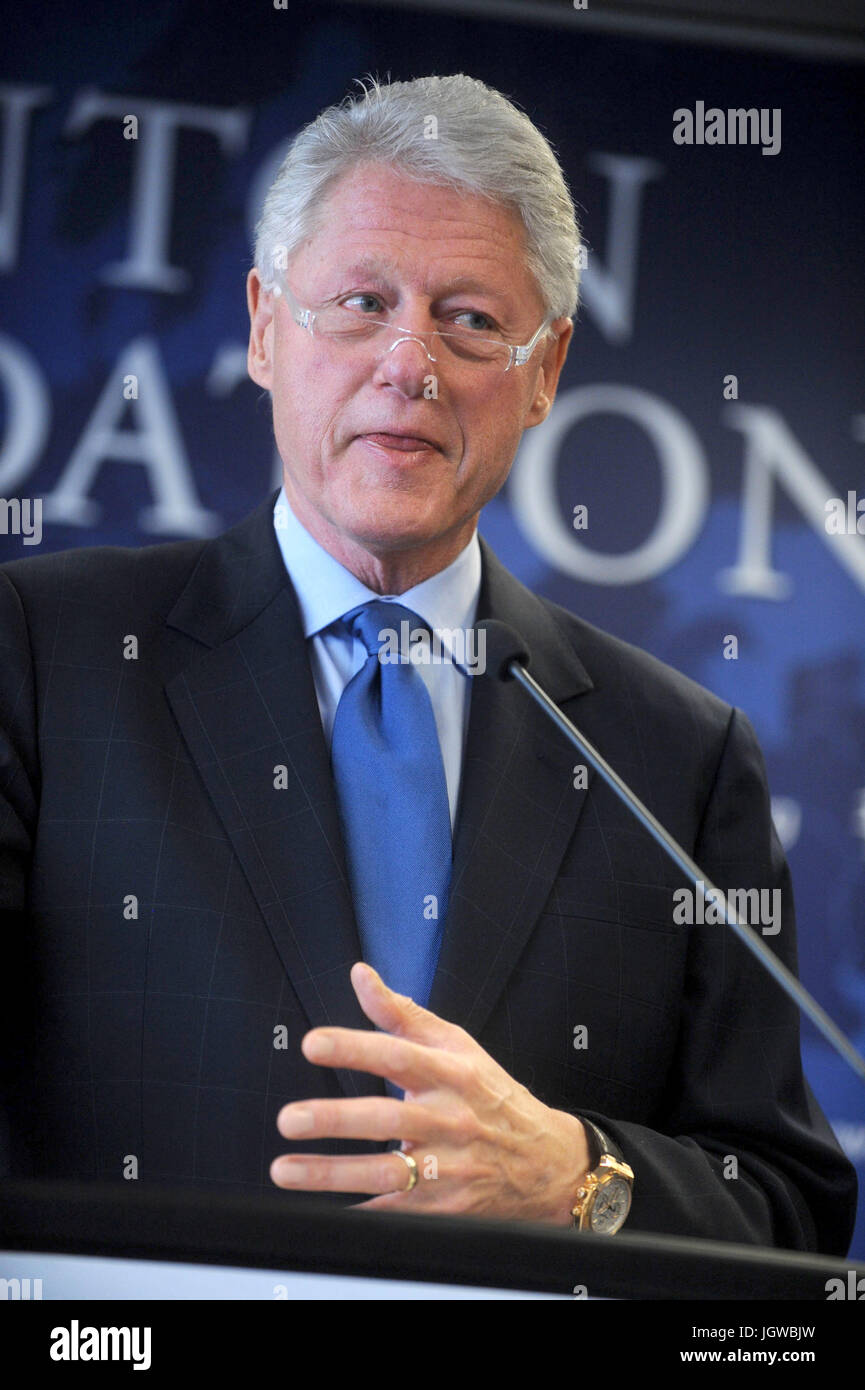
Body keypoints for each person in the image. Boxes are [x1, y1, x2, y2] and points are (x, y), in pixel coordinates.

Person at [0, 74, 856, 1252]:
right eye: (360, 301)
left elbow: (791, 1215)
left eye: (470, 320)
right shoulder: (46, 652)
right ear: (261, 325)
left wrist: (579, 1176)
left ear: (545, 371)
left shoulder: (680, 758)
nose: (411, 363)